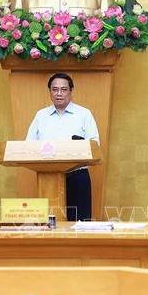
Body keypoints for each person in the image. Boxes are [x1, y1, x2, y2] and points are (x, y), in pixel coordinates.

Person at [26, 73, 99, 221]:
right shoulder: (41, 116)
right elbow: (28, 146)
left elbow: (95, 145)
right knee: (49, 224)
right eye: (55, 89)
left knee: (80, 223)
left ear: (71, 91)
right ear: (50, 92)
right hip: (48, 178)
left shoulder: (84, 114)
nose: (59, 93)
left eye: (63, 89)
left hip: (77, 176)